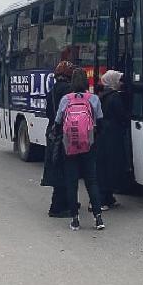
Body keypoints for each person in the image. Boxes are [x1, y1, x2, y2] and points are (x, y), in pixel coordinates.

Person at [55, 68, 105, 231]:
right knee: (91, 181)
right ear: (86, 82)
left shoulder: (65, 99)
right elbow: (100, 123)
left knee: (72, 182)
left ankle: (75, 219)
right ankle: (98, 218)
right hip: (89, 145)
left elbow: (58, 123)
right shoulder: (94, 99)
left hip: (69, 146)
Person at [43, 61, 75, 218]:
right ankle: (57, 207)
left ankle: (67, 203)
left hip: (53, 133)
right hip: (65, 134)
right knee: (66, 170)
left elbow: (48, 113)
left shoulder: (52, 91)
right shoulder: (69, 91)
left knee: (58, 169)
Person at [97, 70, 129, 209]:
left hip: (102, 135)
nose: (121, 83)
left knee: (104, 168)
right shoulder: (115, 97)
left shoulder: (101, 95)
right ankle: (104, 199)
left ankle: (108, 198)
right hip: (112, 136)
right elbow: (121, 115)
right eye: (119, 80)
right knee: (111, 167)